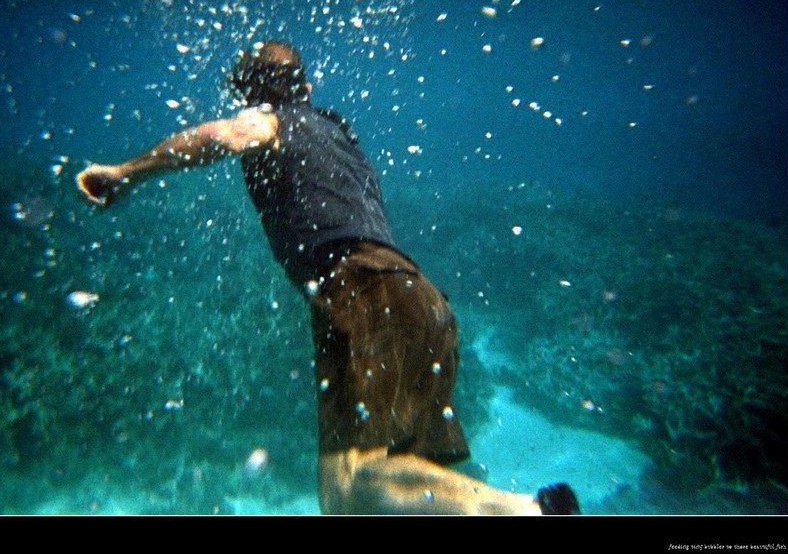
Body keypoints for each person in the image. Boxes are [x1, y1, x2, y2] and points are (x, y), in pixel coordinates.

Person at [75, 41, 580, 515]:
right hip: (421, 299)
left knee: (348, 489)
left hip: (362, 292)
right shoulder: (338, 135)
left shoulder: (269, 122)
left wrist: (126, 172)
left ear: (249, 95)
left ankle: (528, 510)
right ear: (307, 89)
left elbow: (221, 136)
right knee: (404, 481)